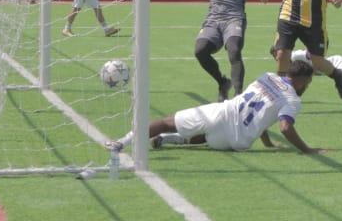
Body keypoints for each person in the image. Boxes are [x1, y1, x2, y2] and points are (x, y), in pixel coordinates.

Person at [104, 60, 324, 154]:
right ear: (302, 80)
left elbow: (268, 114)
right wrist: (307, 149)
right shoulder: (293, 99)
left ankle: (121, 143)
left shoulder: (267, 76)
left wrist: (270, 142)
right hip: (236, 142)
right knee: (208, 138)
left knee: (166, 121)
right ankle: (172, 139)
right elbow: (276, 123)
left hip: (224, 113)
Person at [184, 0, 258, 101]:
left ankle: (239, 97)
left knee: (233, 50)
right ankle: (222, 82)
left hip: (234, 18)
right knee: (200, 51)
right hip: (213, 19)